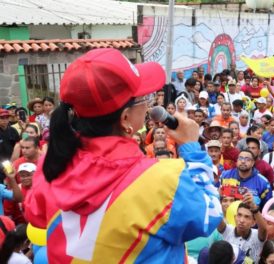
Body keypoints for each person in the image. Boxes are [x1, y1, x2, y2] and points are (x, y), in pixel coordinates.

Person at [24, 49, 223, 262]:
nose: (148, 104)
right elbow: (208, 215)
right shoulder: (161, 180)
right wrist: (192, 149)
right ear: (126, 118)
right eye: (143, 98)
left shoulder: (52, 164)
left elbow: (35, 214)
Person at [217, 195, 267, 263]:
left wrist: (254, 208)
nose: (241, 220)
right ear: (235, 217)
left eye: (247, 217)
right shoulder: (228, 230)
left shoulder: (257, 236)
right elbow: (216, 219)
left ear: (253, 223)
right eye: (239, 215)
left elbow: (264, 229)